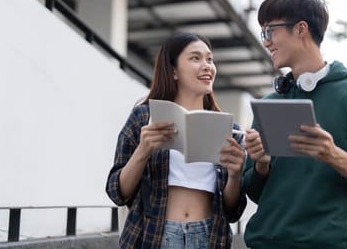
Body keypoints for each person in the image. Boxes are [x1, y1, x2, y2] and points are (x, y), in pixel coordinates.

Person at [243, 0, 347, 249]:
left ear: (301, 29)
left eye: (269, 31)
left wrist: (333, 155)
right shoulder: (269, 104)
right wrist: (261, 165)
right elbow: (255, 193)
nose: (266, 41)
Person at [106, 32, 247, 249]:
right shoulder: (144, 117)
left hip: (208, 237)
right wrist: (143, 151)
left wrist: (236, 175)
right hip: (154, 237)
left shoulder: (228, 129)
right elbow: (117, 192)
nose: (207, 66)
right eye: (195, 58)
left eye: (209, 59)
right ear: (173, 71)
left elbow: (233, 211)